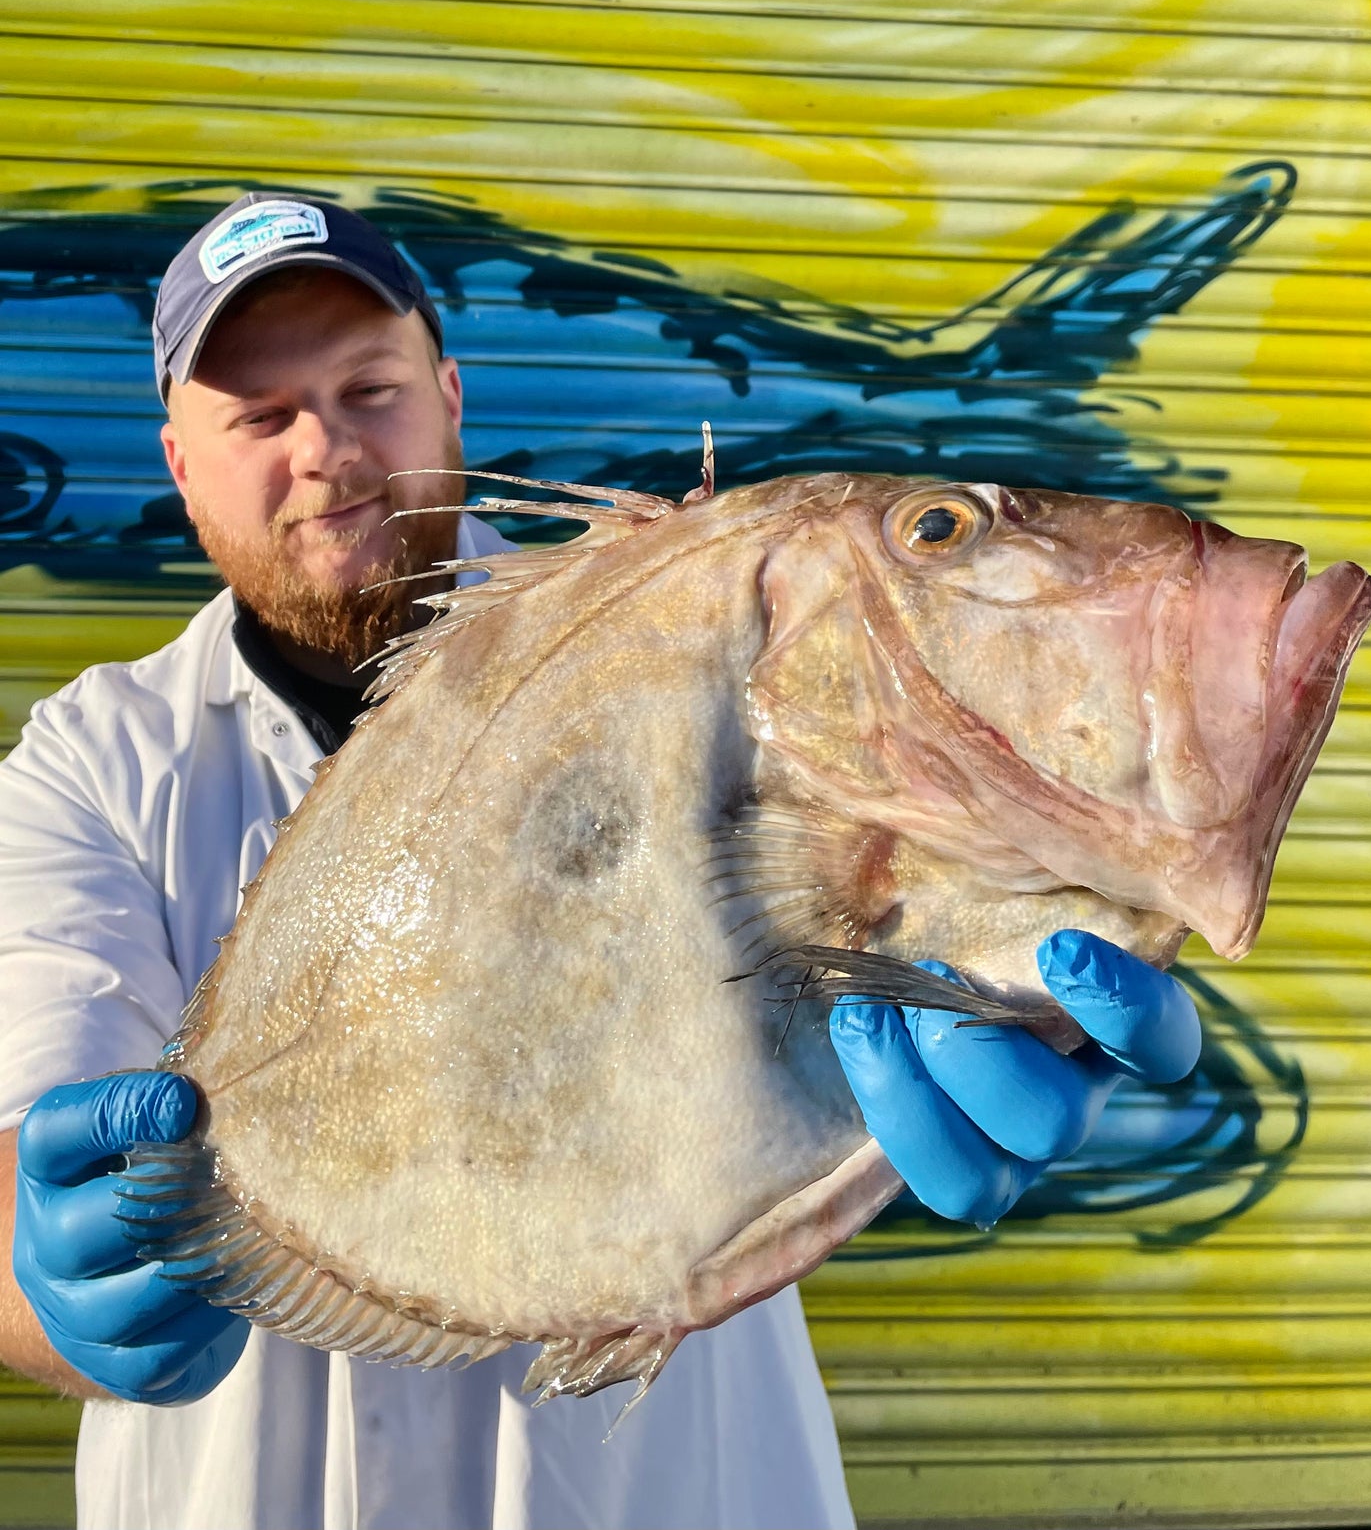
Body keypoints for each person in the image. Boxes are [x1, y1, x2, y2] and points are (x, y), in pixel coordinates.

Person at [0, 193, 1201, 1530]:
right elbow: (23, 1133)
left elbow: (876, 894)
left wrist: (1009, 988)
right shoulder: (94, 759)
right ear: (179, 456)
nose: (328, 448)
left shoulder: (696, 636)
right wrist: (52, 1282)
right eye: (259, 414)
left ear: (449, 393)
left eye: (369, 386)